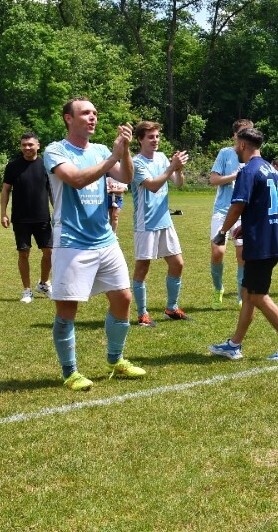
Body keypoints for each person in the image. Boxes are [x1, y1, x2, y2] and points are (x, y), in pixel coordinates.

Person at [44, 97, 145, 392]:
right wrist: (113, 158)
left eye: (95, 113)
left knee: (123, 299)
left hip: (105, 239)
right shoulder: (56, 150)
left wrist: (123, 151)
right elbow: (75, 179)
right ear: (68, 118)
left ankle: (115, 360)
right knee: (67, 309)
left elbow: (127, 177)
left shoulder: (101, 150)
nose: (92, 118)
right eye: (85, 113)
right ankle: (70, 372)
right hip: (72, 242)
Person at [208, 127, 278, 361]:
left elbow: (237, 205)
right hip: (270, 237)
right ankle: (234, 345)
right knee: (248, 292)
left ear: (242, 145)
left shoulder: (248, 170)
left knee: (258, 295)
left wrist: (223, 231)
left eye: (236, 145)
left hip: (260, 244)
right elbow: (268, 204)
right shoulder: (271, 170)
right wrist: (248, 224)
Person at [129, 121, 191, 327]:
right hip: (145, 223)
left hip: (165, 220)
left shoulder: (163, 157)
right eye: (150, 137)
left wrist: (178, 169)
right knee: (142, 268)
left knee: (177, 264)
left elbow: (178, 183)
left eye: (157, 136)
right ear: (140, 139)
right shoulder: (135, 163)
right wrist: (172, 166)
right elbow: (154, 186)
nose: (155, 140)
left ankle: (171, 308)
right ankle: (142, 314)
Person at [0, 132, 53, 304]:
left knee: (49, 252)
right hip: (21, 218)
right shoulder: (13, 166)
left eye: (30, 144)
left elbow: (52, 191)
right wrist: (3, 213)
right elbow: (6, 190)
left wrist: (58, 211)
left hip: (43, 217)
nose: (27, 148)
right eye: (24, 145)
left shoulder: (46, 165)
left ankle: (44, 284)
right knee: (24, 253)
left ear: (38, 145)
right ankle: (27, 290)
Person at [209, 119, 253, 308]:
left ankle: (241, 295)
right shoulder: (225, 153)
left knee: (242, 255)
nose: (247, 136)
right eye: (244, 132)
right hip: (222, 210)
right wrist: (235, 176)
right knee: (218, 252)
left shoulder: (254, 156)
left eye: (250, 132)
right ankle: (218, 289)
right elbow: (213, 180)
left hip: (243, 212)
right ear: (235, 136)